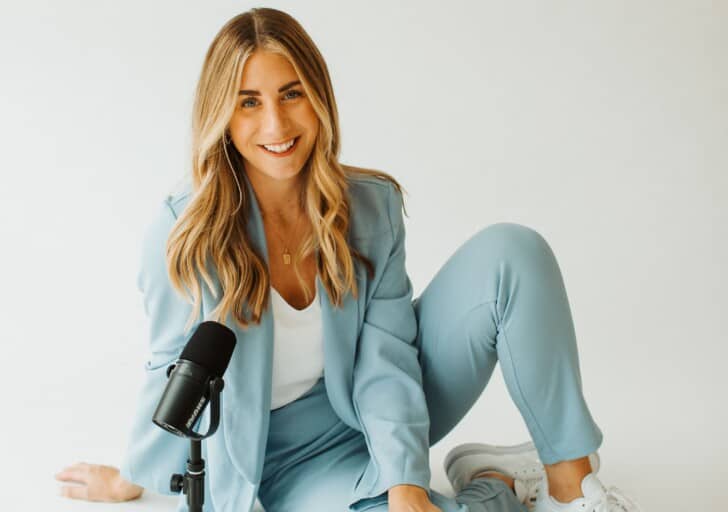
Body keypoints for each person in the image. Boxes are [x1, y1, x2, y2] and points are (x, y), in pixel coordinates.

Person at [54, 7, 642, 512]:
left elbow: (385, 361)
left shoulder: (369, 207)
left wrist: (405, 480)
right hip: (286, 459)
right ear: (222, 120)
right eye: (248, 103)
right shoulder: (183, 233)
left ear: (319, 97)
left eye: (291, 94)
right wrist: (131, 478)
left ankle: (573, 488)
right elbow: (172, 375)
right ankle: (495, 484)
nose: (276, 124)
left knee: (513, 252)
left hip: (384, 400)